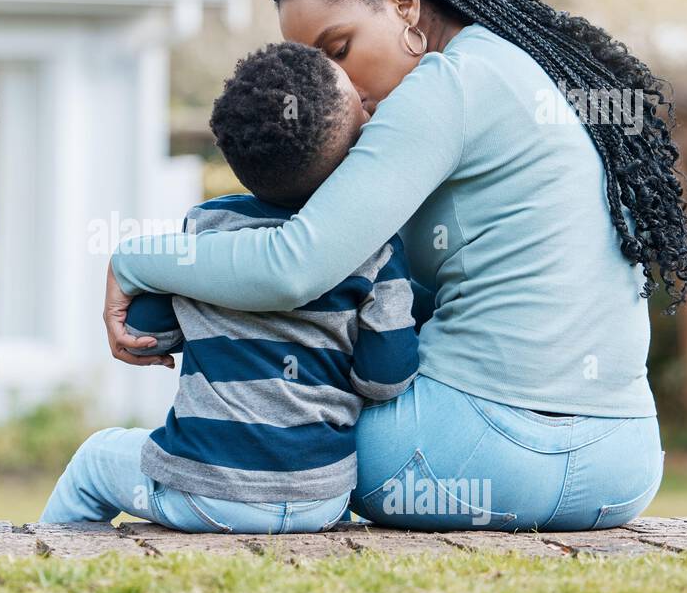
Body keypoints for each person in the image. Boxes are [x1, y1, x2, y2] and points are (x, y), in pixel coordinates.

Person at [104, 0, 687, 531]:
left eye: (338, 50)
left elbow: (294, 266)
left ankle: (135, 472)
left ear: (405, 4)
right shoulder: (529, 69)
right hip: (623, 466)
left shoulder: (443, 86)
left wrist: (137, 259)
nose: (335, 87)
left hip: (458, 458)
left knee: (288, 453)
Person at [41, 42, 422, 533]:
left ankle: (38, 563)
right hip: (320, 500)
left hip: (205, 493)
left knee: (95, 459)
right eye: (360, 103)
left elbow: (148, 330)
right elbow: (385, 378)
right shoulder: (377, 248)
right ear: (355, 157)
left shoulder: (208, 227)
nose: (369, 104)